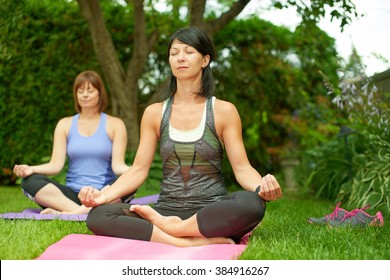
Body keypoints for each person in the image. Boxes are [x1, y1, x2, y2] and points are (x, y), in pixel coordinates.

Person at [78, 27, 283, 247]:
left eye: (188, 51)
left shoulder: (223, 111)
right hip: (167, 208)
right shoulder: (155, 113)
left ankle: (173, 230)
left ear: (205, 60)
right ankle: (186, 242)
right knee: (99, 215)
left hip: (211, 209)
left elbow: (242, 168)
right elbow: (138, 169)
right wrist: (103, 198)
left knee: (252, 203)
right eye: (174, 53)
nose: (180, 58)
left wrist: (262, 189)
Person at [13, 70, 132, 215]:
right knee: (28, 181)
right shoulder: (65, 124)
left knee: (130, 182)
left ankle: (69, 214)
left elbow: (118, 166)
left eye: (90, 90)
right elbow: (55, 165)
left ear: (100, 93)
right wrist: (32, 169)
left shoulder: (115, 124)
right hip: (71, 196)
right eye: (80, 91)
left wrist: (134, 171)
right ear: (76, 95)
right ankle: (81, 212)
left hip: (102, 194)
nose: (85, 95)